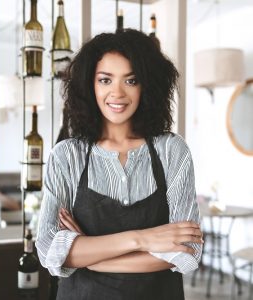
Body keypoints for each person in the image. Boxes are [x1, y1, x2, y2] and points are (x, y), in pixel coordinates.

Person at [36, 29, 203, 300]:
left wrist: (88, 256)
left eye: (131, 80)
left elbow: (187, 250)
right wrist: (142, 239)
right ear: (89, 86)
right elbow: (48, 249)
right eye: (105, 80)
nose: (117, 93)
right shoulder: (66, 156)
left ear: (147, 85)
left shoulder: (172, 150)